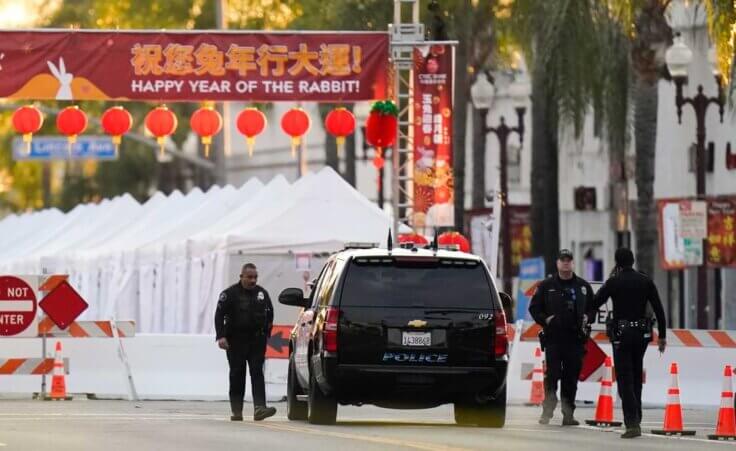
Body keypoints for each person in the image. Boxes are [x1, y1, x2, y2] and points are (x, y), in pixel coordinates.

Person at [586, 248, 666, 439]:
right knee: (637, 374)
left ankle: (632, 423)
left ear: (617, 262)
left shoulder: (614, 282)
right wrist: (662, 336)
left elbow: (595, 302)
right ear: (633, 260)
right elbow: (659, 309)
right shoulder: (645, 281)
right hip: (642, 334)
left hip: (622, 335)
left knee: (624, 378)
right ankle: (637, 416)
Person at [529, 249, 593, 426]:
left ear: (573, 263)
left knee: (571, 378)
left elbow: (593, 307)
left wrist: (588, 317)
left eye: (569, 260)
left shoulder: (582, 286)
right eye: (562, 260)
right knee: (552, 376)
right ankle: (547, 411)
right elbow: (534, 308)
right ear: (557, 263)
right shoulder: (546, 286)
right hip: (554, 338)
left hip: (575, 339)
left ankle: (568, 414)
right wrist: (545, 319)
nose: (566, 263)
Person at [215, 263, 277, 422]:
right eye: (249, 277)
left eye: (255, 277)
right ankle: (237, 411)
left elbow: (270, 314)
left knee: (257, 372)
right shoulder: (229, 294)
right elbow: (219, 316)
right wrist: (221, 336)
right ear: (241, 276)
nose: (253, 280)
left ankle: (260, 408)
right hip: (235, 341)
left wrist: (266, 334)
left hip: (256, 341)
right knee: (237, 374)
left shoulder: (262, 294)